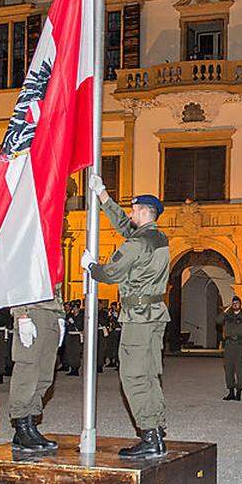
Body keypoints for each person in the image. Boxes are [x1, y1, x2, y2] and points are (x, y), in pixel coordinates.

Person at [82, 179, 171, 459]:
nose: (130, 215)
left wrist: (92, 267)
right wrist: (104, 196)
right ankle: (155, 432)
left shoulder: (137, 245)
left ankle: (148, 434)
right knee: (150, 374)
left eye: (133, 211)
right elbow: (126, 228)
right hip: (155, 314)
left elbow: (112, 273)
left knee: (133, 376)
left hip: (138, 317)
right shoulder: (157, 238)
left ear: (143, 212)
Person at [8, 290, 65, 458]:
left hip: (52, 312)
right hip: (32, 312)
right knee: (27, 371)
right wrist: (21, 314)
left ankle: (31, 424)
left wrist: (60, 313)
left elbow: (56, 285)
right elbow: (17, 280)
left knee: (44, 374)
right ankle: (21, 426)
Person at [217, 296, 242, 400]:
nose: (235, 304)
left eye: (237, 303)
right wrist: (226, 310)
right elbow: (218, 320)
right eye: (233, 303)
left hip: (240, 345)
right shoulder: (227, 316)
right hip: (229, 345)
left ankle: (238, 391)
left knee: (240, 369)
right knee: (228, 369)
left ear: (240, 304)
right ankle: (231, 391)